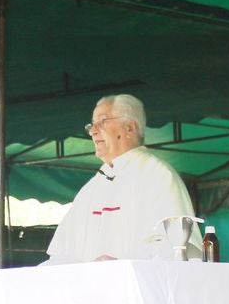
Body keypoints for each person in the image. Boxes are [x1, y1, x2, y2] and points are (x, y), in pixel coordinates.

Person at [45, 93, 202, 263]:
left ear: (130, 128)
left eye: (103, 122)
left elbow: (179, 250)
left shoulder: (158, 176)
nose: (93, 131)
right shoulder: (91, 188)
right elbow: (61, 255)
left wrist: (120, 263)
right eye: (91, 125)